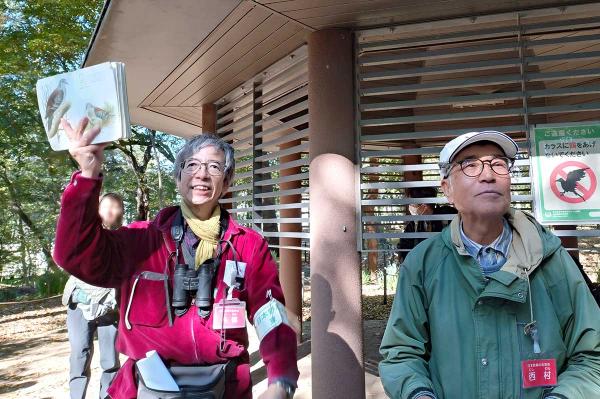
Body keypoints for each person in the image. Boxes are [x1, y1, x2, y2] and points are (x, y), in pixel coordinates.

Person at [53, 117, 298, 399]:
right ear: (178, 176)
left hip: (225, 388)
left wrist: (281, 380)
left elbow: (271, 316)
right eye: (192, 165)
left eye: (214, 167)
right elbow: (73, 254)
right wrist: (87, 176)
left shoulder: (247, 245)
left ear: (227, 182)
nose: (202, 174)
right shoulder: (141, 240)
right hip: (143, 388)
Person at [379, 130, 600, 399]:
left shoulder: (550, 256)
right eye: (470, 165)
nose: (488, 174)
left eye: (498, 164)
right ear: (447, 189)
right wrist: (418, 394)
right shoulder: (424, 264)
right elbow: (401, 353)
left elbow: (592, 354)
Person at [62, 192, 123, 399]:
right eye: (108, 206)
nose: (113, 211)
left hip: (110, 306)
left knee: (111, 360)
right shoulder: (85, 233)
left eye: (118, 207)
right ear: (98, 209)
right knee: (80, 354)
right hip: (80, 302)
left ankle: (107, 396)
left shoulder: (125, 238)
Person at [396, 187, 456, 263]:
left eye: (412, 203)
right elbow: (403, 248)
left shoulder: (448, 216)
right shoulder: (413, 225)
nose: (409, 207)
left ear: (424, 206)